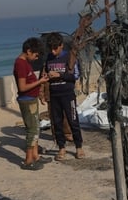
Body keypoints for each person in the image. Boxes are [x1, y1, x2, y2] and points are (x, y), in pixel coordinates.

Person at [41, 32, 85, 161]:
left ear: (61, 46)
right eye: (51, 49)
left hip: (68, 95)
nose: (53, 52)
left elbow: (76, 76)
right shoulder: (48, 58)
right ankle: (61, 147)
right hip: (54, 95)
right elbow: (44, 75)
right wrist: (43, 88)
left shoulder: (69, 57)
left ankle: (79, 147)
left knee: (73, 120)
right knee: (57, 122)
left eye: (56, 48)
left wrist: (60, 75)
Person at [13, 37, 51, 170]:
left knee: (36, 129)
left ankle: (36, 156)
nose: (36, 58)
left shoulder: (25, 63)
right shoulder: (20, 64)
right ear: (28, 51)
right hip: (27, 100)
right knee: (32, 130)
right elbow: (22, 87)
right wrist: (39, 82)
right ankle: (28, 160)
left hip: (32, 99)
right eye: (35, 55)